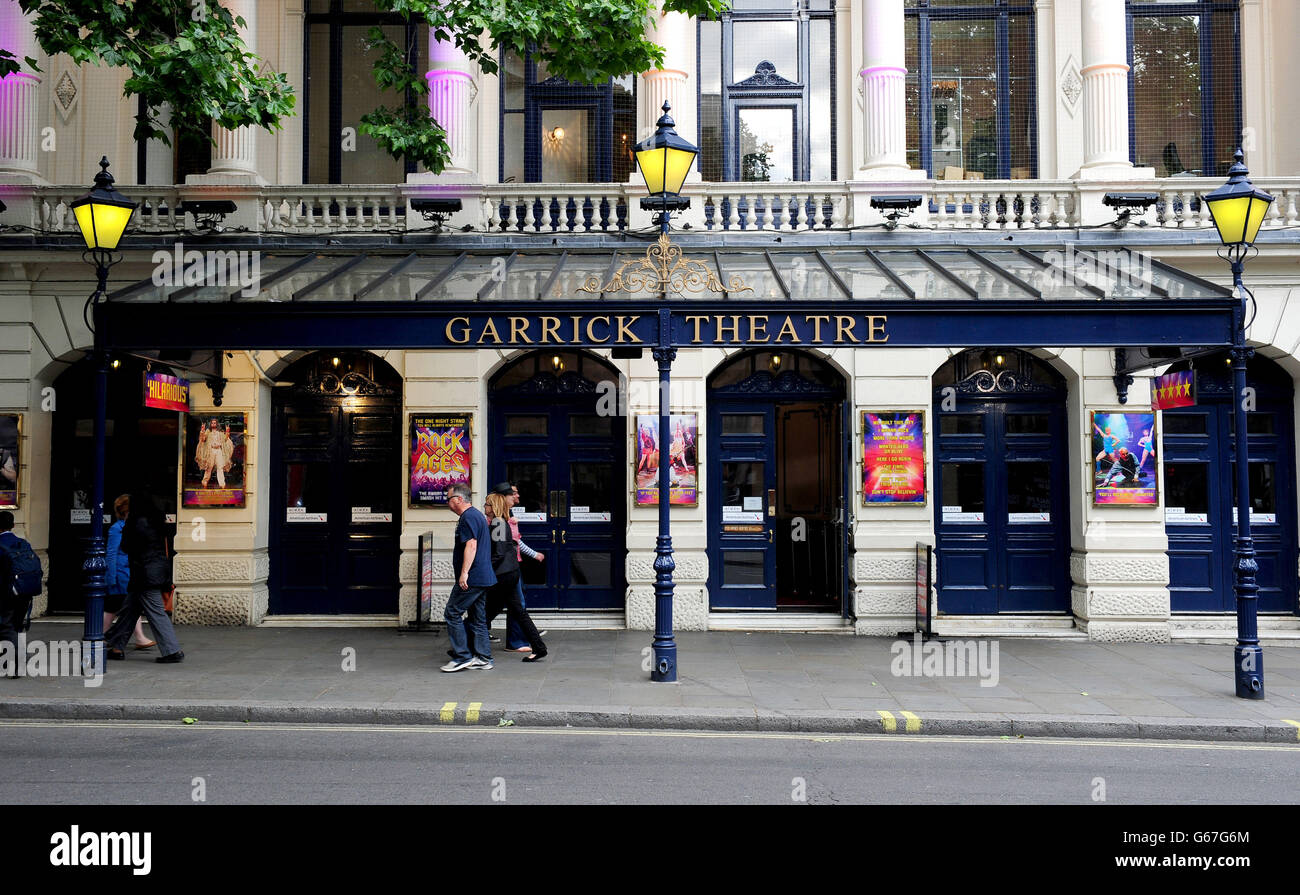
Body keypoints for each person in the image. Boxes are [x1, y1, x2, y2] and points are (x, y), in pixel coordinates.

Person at [105, 493, 184, 663]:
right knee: (129, 610)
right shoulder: (155, 522)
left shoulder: (136, 523)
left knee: (156, 612)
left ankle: (172, 650)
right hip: (154, 571)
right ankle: (116, 646)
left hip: (144, 574)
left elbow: (126, 547)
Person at [483, 493, 547, 662]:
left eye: (487, 504)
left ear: (494, 506)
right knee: (519, 612)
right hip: (510, 572)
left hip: (502, 575)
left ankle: (465, 649)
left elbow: (498, 552)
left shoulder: (497, 523)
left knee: (483, 614)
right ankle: (539, 647)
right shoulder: (503, 522)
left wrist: (485, 570)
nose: (484, 507)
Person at [442, 483, 495, 672]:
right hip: (482, 576)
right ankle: (484, 658)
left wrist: (464, 573)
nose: (447, 502)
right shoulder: (476, 516)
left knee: (452, 612)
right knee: (477, 617)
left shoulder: (468, 517)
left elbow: (471, 545)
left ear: (458, 499)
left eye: (448, 499)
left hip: (472, 577)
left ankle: (462, 657)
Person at [105, 494, 154, 651]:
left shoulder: (131, 527)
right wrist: (111, 577)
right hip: (120, 573)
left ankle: (104, 635)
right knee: (118, 606)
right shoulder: (116, 529)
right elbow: (111, 553)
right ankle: (103, 635)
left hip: (128, 572)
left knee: (126, 606)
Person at [0, 511, 37, 672]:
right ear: (13, 526)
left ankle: (16, 662)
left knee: (6, 626)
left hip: (6, 592)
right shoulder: (23, 543)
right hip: (24, 590)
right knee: (15, 625)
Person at [196, 418, 234, 489]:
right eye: (212, 423)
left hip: (218, 450)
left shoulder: (220, 432)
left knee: (220, 467)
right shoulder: (208, 432)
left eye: (214, 423)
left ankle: (222, 484)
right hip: (211, 451)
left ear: (217, 424)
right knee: (209, 467)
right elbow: (203, 439)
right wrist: (202, 430)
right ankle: (205, 482)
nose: (213, 424)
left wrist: (227, 431)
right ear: (210, 424)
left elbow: (225, 439)